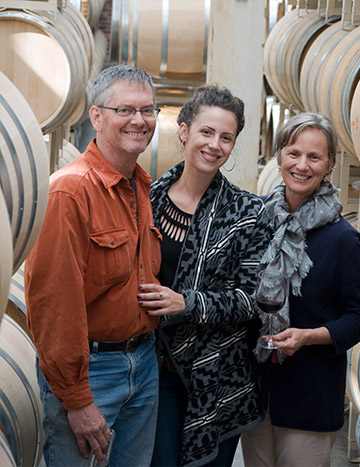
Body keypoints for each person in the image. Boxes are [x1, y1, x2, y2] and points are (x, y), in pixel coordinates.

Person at [24, 64, 163, 466]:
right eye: (125, 110)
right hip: (93, 372)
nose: (139, 120)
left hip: (143, 365)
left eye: (148, 110)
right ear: (96, 117)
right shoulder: (70, 191)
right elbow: (54, 305)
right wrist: (77, 398)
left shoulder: (140, 184)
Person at [137, 84, 269, 466]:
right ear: (184, 131)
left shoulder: (247, 212)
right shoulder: (147, 200)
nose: (215, 145)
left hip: (218, 376)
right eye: (206, 132)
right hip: (158, 368)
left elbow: (251, 299)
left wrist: (186, 303)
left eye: (226, 137)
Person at [240, 112, 360, 467]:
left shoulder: (343, 240)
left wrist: (309, 336)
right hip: (257, 392)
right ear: (280, 155)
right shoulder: (260, 222)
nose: (302, 165)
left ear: (329, 164)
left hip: (309, 399)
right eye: (293, 153)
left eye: (314, 157)